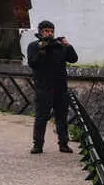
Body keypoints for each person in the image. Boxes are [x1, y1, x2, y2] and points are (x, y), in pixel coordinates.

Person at [26, 20, 78, 154]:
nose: (49, 34)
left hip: (60, 88)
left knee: (61, 117)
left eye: (51, 31)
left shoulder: (59, 46)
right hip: (43, 88)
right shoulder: (34, 46)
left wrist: (68, 45)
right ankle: (38, 145)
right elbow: (33, 63)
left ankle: (63, 143)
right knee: (41, 117)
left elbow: (73, 59)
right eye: (46, 31)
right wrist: (42, 50)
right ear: (40, 32)